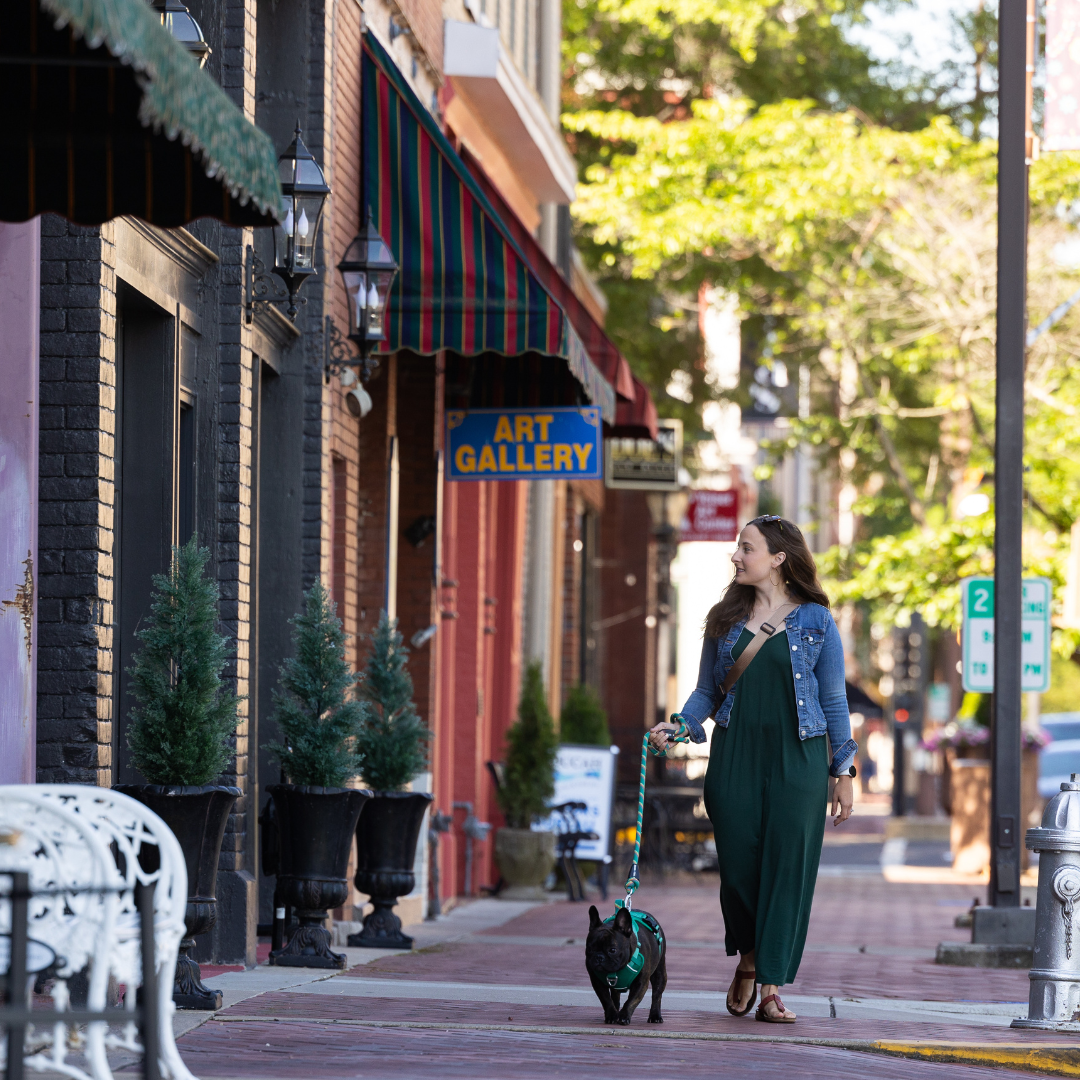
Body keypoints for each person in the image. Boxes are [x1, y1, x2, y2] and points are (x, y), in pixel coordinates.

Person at [649, 514, 856, 1023]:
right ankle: (748, 957)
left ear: (779, 559)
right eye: (738, 548)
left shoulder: (817, 621)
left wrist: (843, 770)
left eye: (747, 548)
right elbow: (706, 691)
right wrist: (680, 726)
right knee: (739, 870)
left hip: (799, 758)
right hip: (735, 752)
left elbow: (833, 699)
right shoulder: (723, 618)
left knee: (788, 870)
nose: (737, 556)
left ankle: (770, 987)